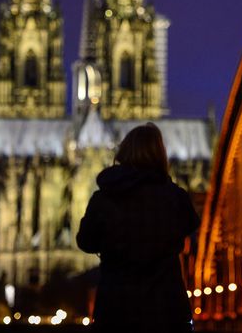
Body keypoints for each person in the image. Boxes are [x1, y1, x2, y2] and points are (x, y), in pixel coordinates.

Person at [76, 123, 200, 333]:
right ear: (160, 155)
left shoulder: (104, 197)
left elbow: (85, 242)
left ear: (124, 153)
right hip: (166, 310)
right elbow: (191, 226)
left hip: (116, 309)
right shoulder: (176, 198)